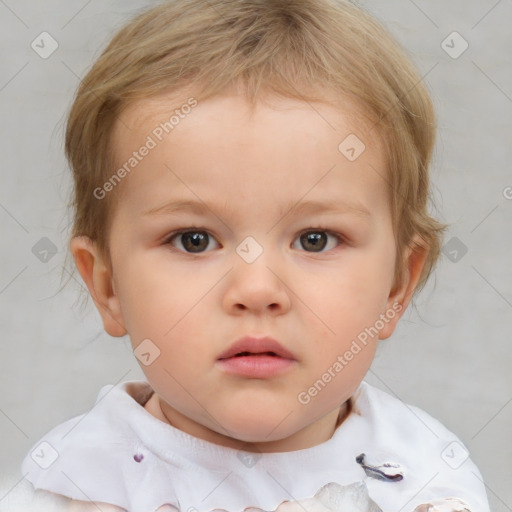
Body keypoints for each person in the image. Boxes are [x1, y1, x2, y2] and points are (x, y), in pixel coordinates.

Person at [20, 0, 490, 510]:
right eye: (193, 240)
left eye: (316, 239)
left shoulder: (428, 481)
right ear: (107, 286)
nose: (257, 290)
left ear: (397, 287)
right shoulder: (70, 487)